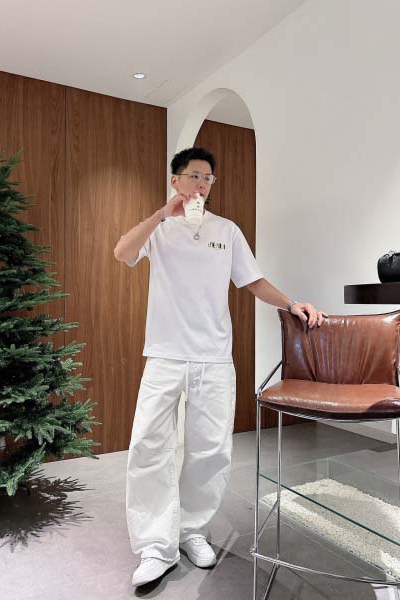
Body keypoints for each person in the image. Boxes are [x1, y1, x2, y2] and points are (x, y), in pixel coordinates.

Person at [113, 147, 327, 587]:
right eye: (193, 176)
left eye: (208, 178)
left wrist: (292, 303)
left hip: (213, 357)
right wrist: (161, 214)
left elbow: (253, 280)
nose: (201, 185)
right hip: (165, 355)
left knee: (210, 449)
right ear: (175, 180)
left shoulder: (226, 230)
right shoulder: (159, 228)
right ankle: (155, 545)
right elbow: (122, 252)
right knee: (149, 446)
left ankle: (192, 530)